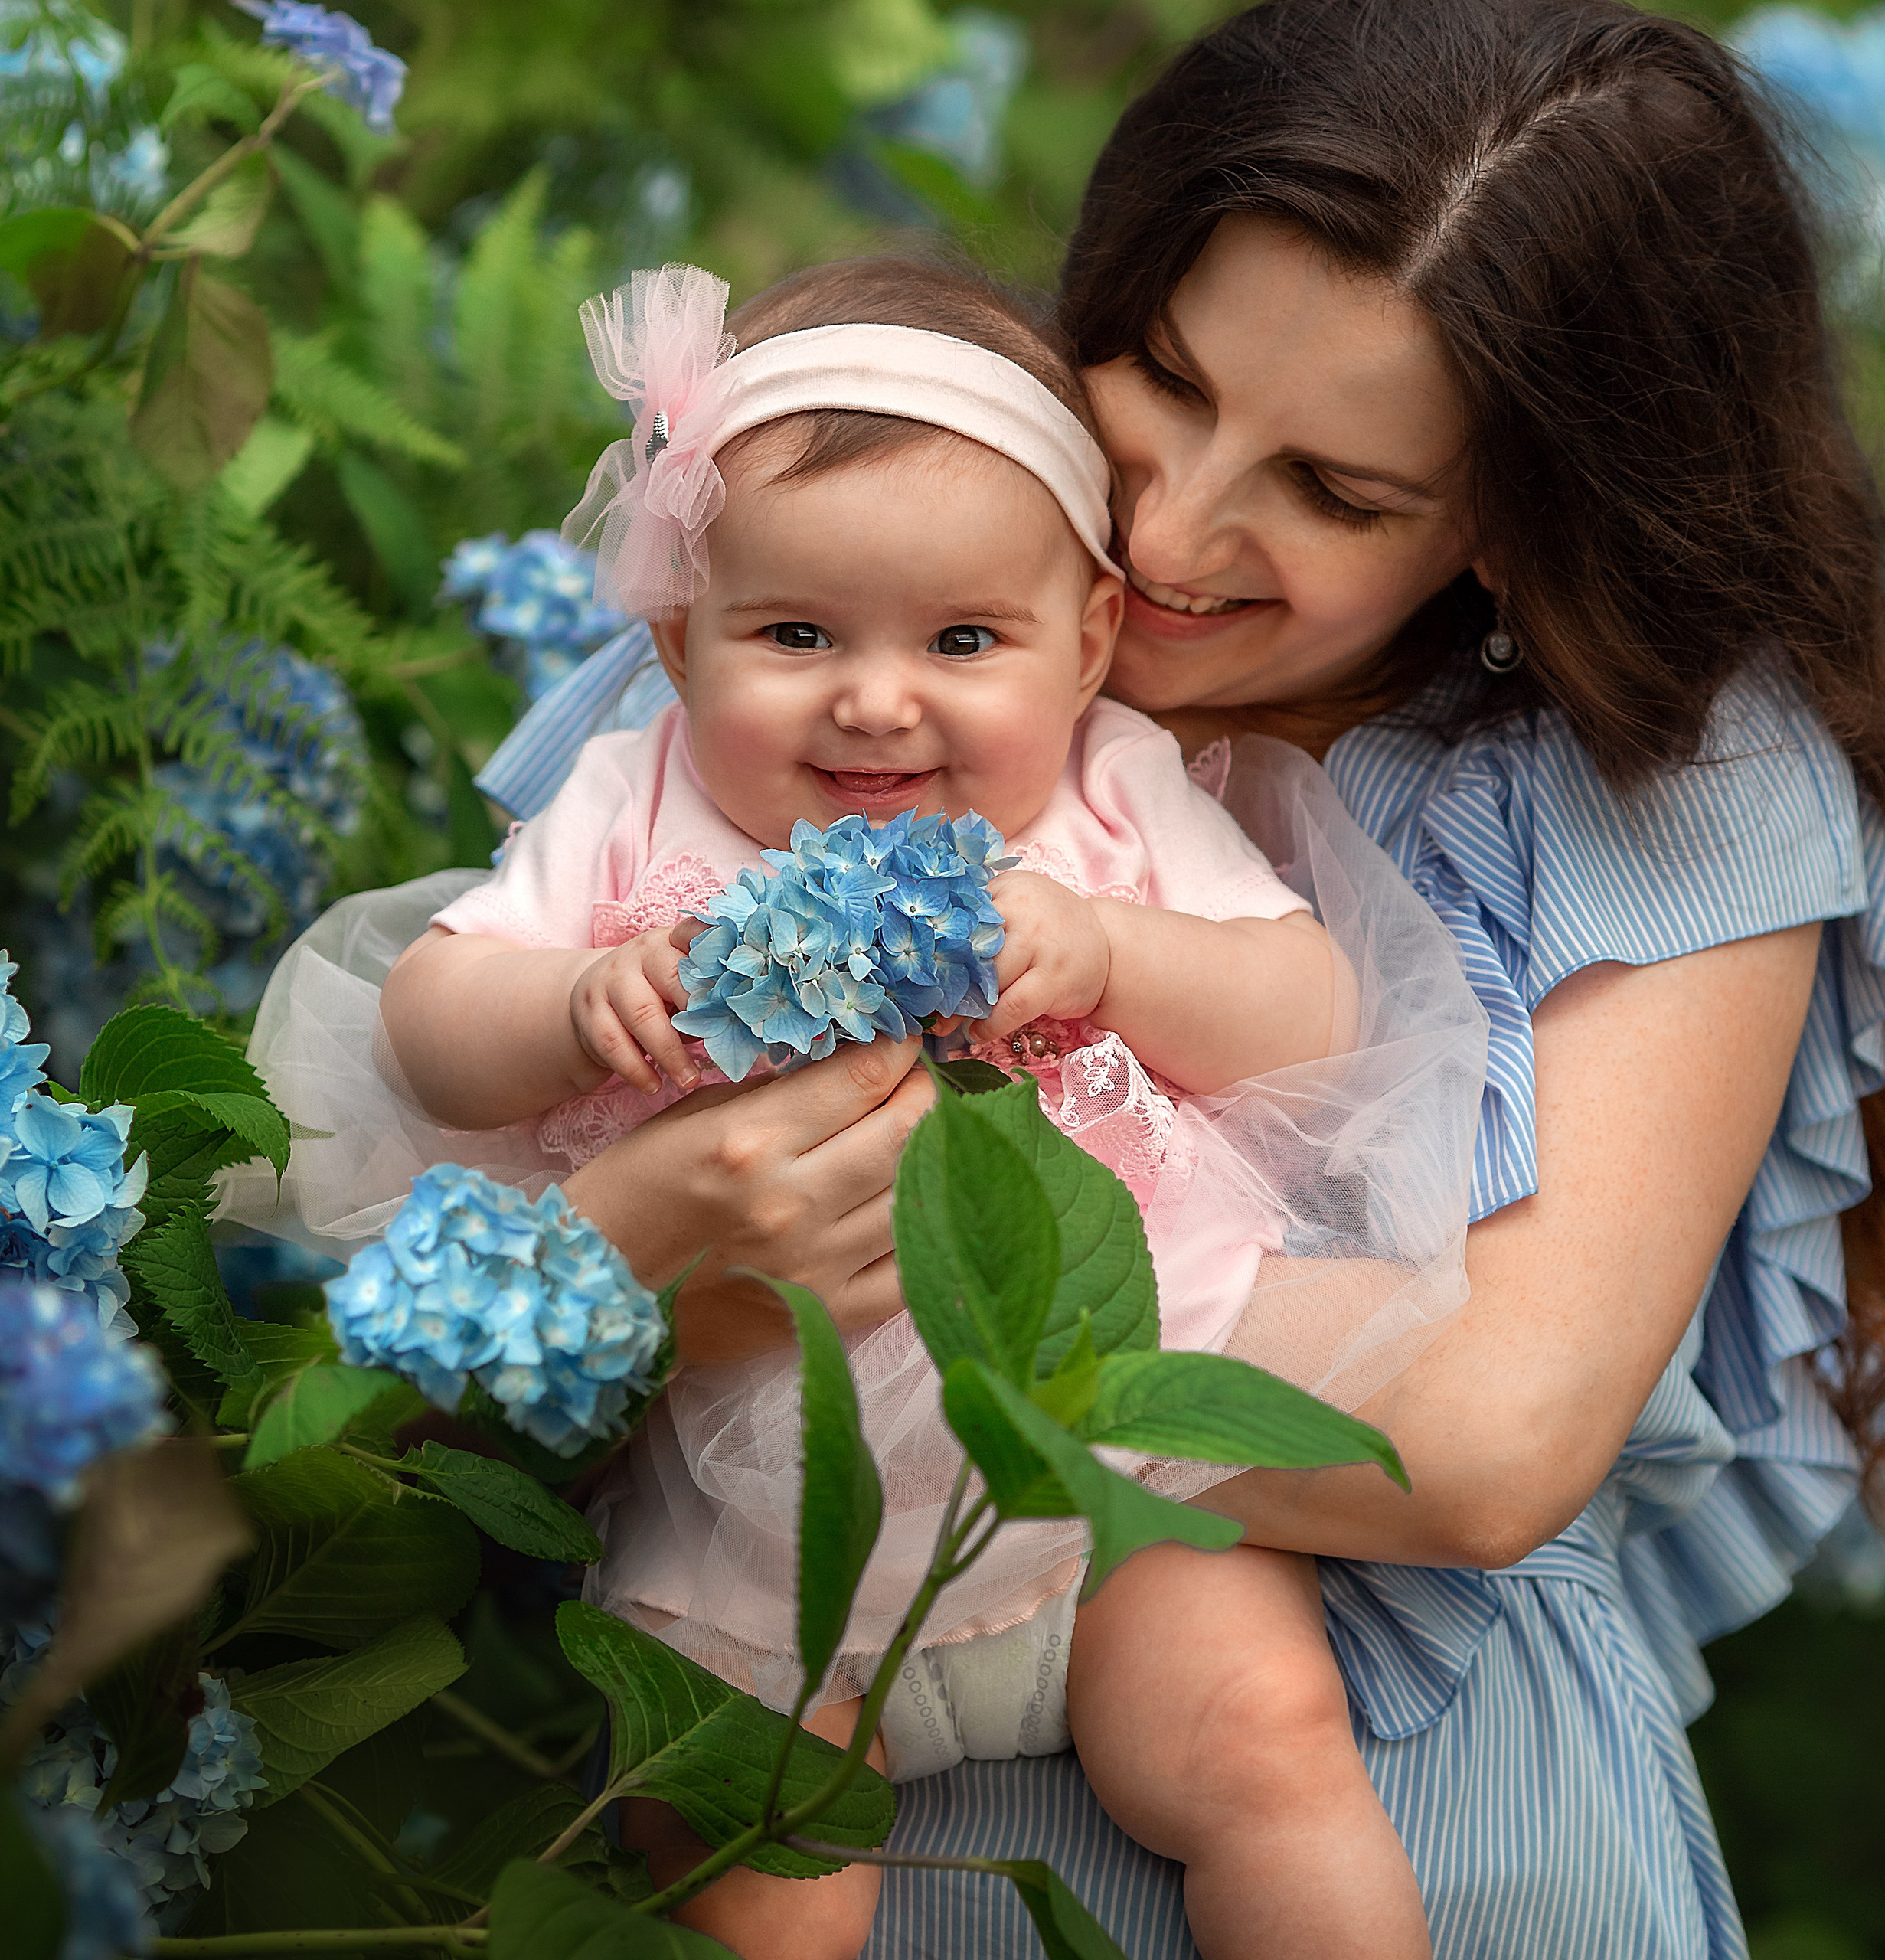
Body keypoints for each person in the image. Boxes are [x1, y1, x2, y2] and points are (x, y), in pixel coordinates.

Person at [224, 2, 1885, 1952]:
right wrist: (634, 1229)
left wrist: (797, 1290)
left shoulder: (1669, 764)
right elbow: (417, 1354)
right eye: (1162, 380)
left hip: (1416, 1813)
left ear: (1524, 520)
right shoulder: (841, 589)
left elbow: (1478, 1440)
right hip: (818, 1750)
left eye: (1334, 493)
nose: (1172, 526)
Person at [345, 255, 1483, 1960]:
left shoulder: (1109, 787)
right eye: (795, 634)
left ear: (1087, 637)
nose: (877, 698)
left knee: (1264, 1751)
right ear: (675, 633)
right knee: (754, 1871)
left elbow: (1309, 1006)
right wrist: (568, 1001)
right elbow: (426, 1024)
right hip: (752, 1510)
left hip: (1111, 1459)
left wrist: (1107, 951)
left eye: (963, 639)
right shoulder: (630, 792)